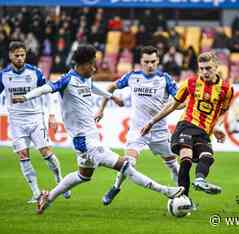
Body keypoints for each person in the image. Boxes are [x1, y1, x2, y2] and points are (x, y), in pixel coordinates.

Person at [14, 44, 184, 214]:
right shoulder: (67, 80)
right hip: (84, 141)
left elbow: (92, 87)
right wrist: (26, 97)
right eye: (92, 64)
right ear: (84, 65)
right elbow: (47, 88)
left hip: (91, 136)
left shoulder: (86, 78)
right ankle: (165, 190)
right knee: (125, 165)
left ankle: (48, 197)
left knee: (83, 175)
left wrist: (111, 97)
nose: (94, 68)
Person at [95, 46, 180, 205]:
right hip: (138, 130)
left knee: (175, 167)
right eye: (146, 62)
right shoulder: (132, 77)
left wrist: (176, 105)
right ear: (140, 62)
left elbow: (180, 102)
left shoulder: (165, 79)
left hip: (159, 131)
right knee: (128, 163)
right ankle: (115, 187)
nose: (150, 65)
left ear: (158, 61)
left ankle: (182, 195)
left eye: (153, 61)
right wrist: (101, 109)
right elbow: (110, 88)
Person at [141, 51, 234, 197]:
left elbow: (224, 111)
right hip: (187, 125)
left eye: (208, 68)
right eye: (201, 68)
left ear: (216, 67)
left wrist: (217, 126)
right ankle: (183, 198)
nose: (204, 72)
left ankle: (200, 180)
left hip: (204, 131)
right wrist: (151, 122)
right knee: (186, 159)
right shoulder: (190, 83)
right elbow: (172, 105)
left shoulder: (227, 89)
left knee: (207, 156)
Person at [0, 41, 70, 203]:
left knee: (46, 154)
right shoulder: (4, 75)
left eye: (22, 55)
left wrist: (52, 115)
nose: (19, 58)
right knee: (23, 156)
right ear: (10, 55)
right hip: (16, 121)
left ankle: (60, 182)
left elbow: (48, 93)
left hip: (35, 118)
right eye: (16, 55)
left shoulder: (35, 73)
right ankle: (36, 193)